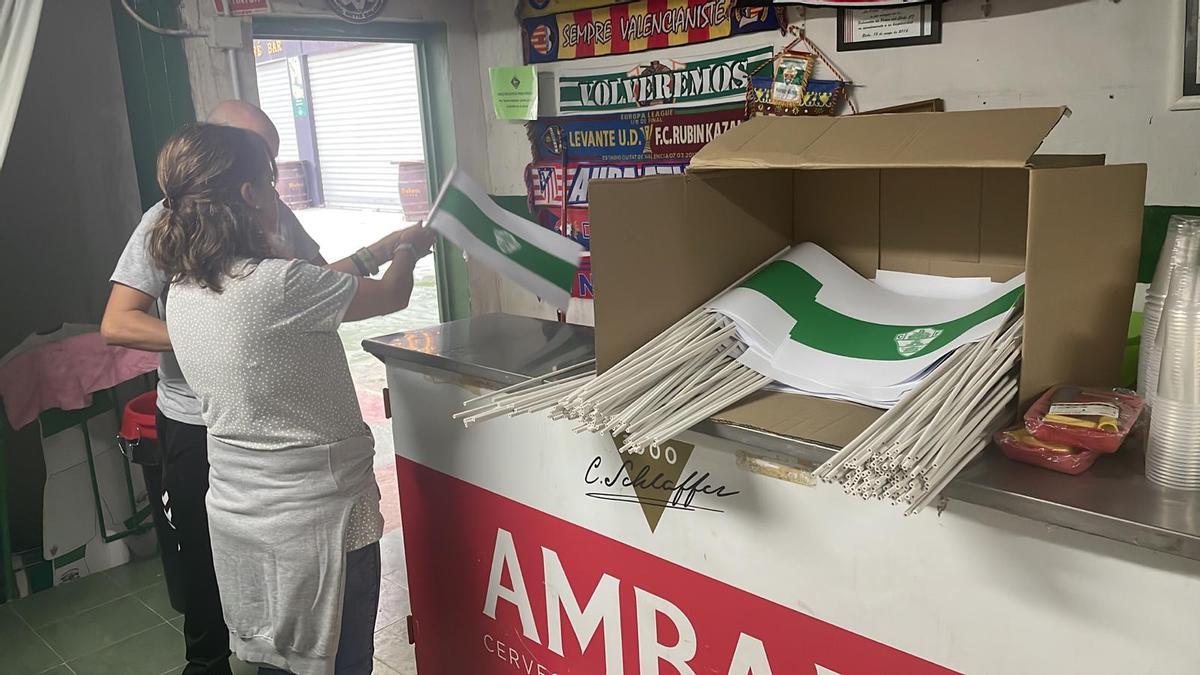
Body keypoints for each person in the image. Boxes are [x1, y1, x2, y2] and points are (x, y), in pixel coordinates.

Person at [101, 101, 422, 675]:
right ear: (250, 192)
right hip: (318, 514)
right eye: (268, 173)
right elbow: (389, 296)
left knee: (274, 650)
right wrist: (405, 250)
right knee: (338, 654)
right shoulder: (279, 283)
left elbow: (315, 290)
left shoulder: (186, 293)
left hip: (240, 504)